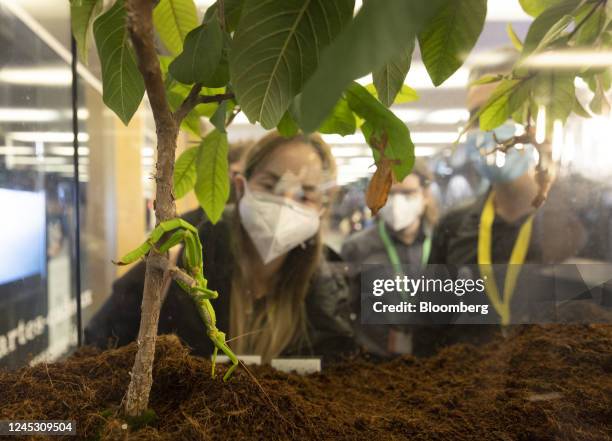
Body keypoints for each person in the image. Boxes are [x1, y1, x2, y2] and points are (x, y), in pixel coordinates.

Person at [85, 132, 356, 364]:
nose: (285, 203)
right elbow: (96, 346)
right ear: (241, 186)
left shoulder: (333, 292)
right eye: (270, 185)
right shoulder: (179, 255)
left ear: (323, 207)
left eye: (305, 195)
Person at [341, 159, 439, 357]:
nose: (397, 203)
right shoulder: (357, 248)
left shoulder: (443, 243)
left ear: (425, 196)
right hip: (376, 363)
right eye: (390, 194)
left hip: (434, 359)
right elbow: (344, 313)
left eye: (407, 193)